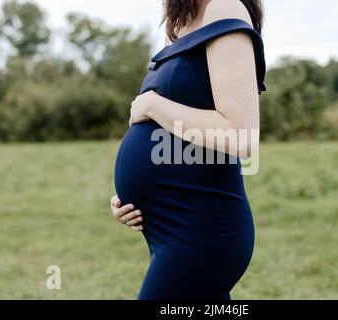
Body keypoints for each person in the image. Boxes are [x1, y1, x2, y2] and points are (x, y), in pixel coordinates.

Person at [111, 0, 266, 300]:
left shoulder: (224, 8)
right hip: (169, 226)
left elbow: (241, 136)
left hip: (202, 228)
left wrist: (153, 105)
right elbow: (175, 125)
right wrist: (131, 197)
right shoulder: (179, 22)